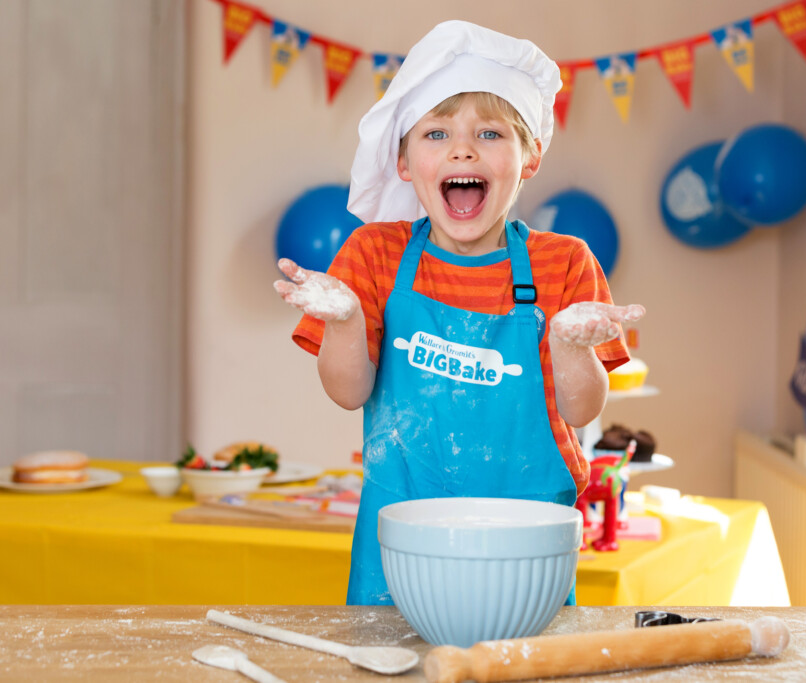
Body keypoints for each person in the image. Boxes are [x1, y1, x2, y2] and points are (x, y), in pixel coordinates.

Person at [274, 20, 645, 605]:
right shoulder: (376, 254)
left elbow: (582, 407)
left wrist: (571, 348)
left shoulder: (564, 262)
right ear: (403, 162)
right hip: (400, 545)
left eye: (492, 134)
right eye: (436, 133)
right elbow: (348, 392)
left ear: (530, 159)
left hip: (526, 549)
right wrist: (344, 324)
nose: (463, 149)